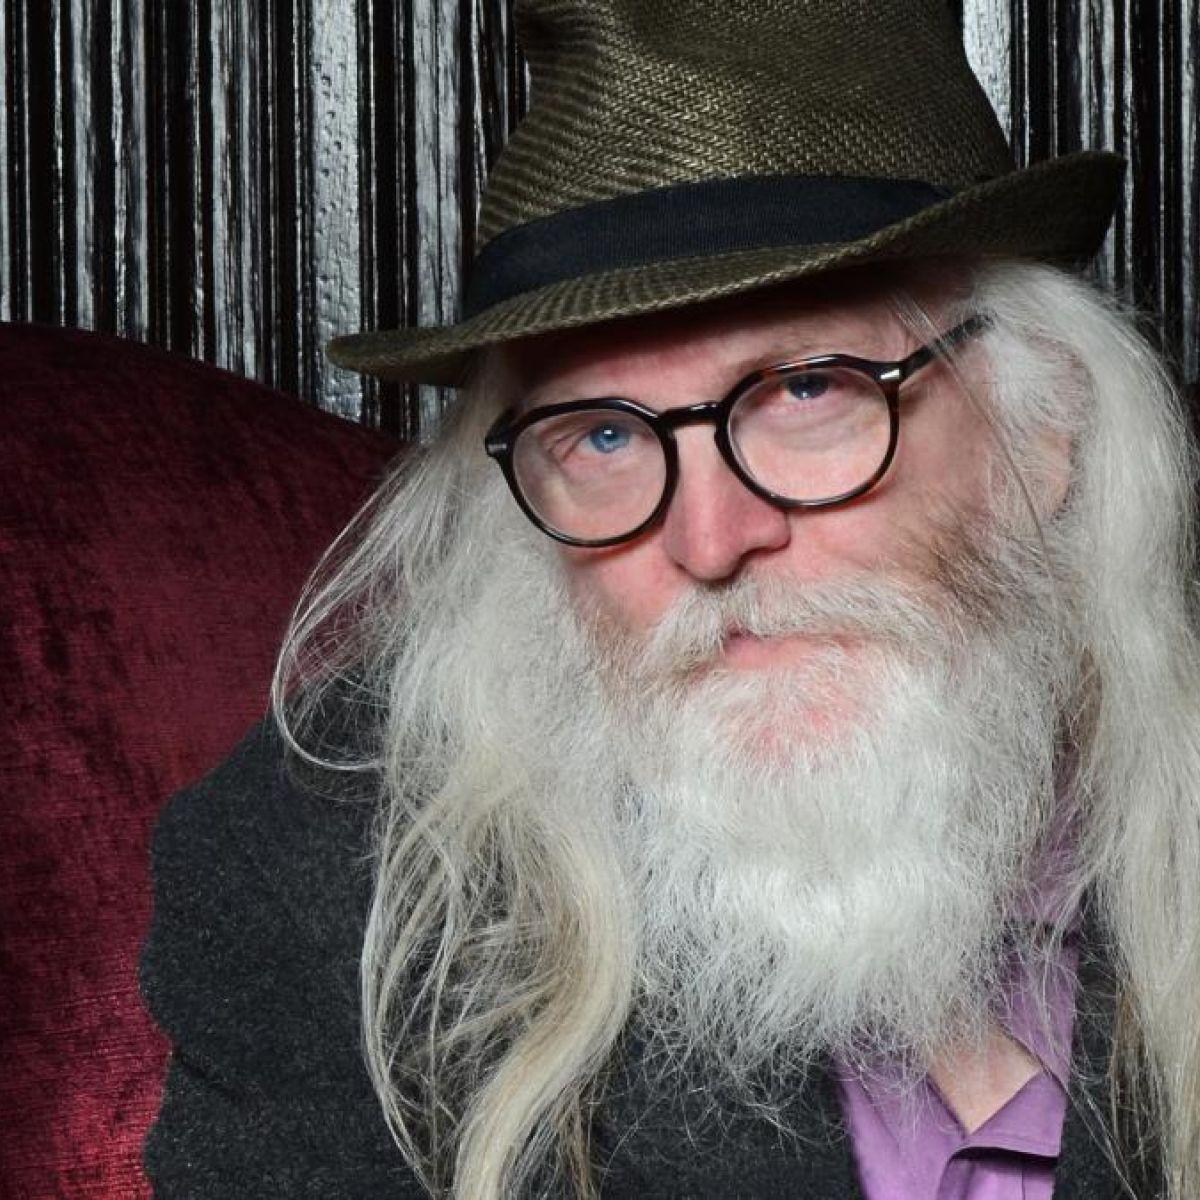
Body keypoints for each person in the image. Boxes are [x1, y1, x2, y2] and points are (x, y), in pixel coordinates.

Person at [139, 1, 1199, 1197]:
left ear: (1043, 424)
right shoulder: (320, 881)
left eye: (807, 389)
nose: (710, 538)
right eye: (602, 435)